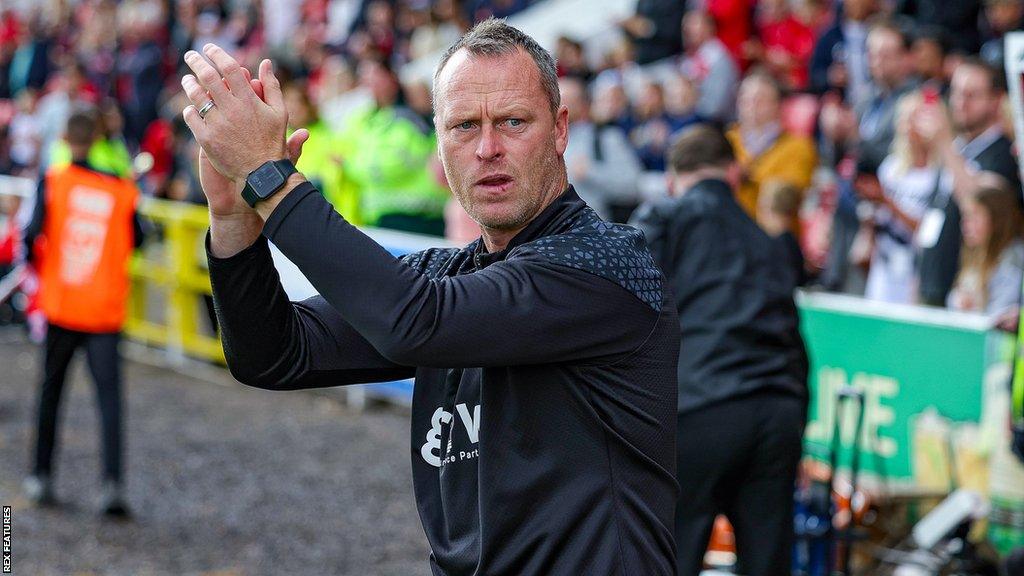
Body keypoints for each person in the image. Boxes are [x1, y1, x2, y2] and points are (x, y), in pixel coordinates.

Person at [180, 19, 680, 575]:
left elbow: (412, 321)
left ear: (560, 130)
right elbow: (272, 355)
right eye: (464, 126)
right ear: (439, 144)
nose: (488, 148)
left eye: (513, 122)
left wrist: (270, 179)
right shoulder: (447, 280)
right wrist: (233, 217)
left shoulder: (606, 266)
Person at [630, 124, 808, 576]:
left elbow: (623, 305)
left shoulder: (665, 216)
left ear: (674, 177)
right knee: (767, 562)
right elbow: (795, 334)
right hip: (778, 409)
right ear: (733, 173)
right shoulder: (766, 239)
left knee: (668, 557)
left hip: (703, 406)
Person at [21, 109, 143, 517]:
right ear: (95, 138)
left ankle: (40, 475)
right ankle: (111, 484)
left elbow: (30, 236)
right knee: (109, 401)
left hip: (62, 304)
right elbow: (140, 238)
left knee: (50, 394)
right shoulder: (121, 190)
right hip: (104, 310)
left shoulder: (53, 183)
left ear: (65, 138)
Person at [914, 58, 1022, 306]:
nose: (961, 103)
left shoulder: (1004, 153)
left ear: (996, 100)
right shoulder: (958, 148)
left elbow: (977, 203)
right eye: (957, 93)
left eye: (972, 95)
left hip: (966, 295)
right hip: (930, 282)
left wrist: (943, 143)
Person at [863, 91, 945, 304]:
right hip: (884, 265)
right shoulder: (891, 168)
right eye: (904, 119)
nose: (908, 126)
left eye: (914, 119)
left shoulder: (939, 173)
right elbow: (877, 219)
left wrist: (887, 202)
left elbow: (926, 229)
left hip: (916, 268)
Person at [726, 71, 817, 218]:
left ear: (777, 105)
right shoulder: (727, 141)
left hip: (773, 234)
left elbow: (792, 193)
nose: (752, 106)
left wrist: (748, 177)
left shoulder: (799, 146)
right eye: (746, 100)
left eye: (760, 100)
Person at [558, 76, 641, 221]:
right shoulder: (541, 140)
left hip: (595, 233)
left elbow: (632, 186)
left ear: (584, 105)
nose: (559, 107)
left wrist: (591, 172)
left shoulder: (606, 138)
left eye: (567, 101)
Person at [947, 184, 1024, 316]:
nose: (966, 225)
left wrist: (975, 307)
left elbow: (1002, 311)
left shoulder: (1013, 257)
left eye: (974, 217)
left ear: (997, 220)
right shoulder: (974, 253)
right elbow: (955, 298)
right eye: (965, 217)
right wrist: (958, 301)